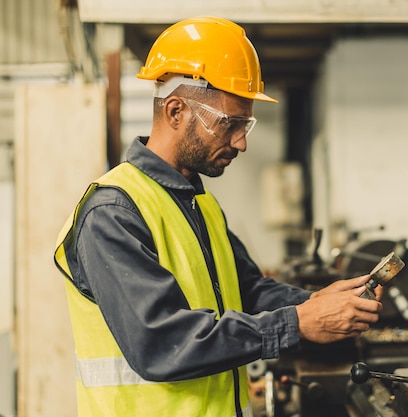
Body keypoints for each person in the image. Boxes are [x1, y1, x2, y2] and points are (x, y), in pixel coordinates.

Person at [53, 16, 382, 417]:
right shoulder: (113, 213)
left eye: (246, 124)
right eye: (230, 124)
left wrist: (319, 302)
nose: (242, 142)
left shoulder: (200, 203)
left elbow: (246, 292)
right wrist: (297, 322)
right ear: (176, 111)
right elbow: (162, 344)